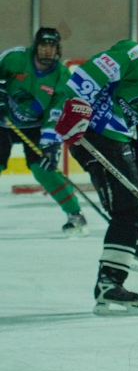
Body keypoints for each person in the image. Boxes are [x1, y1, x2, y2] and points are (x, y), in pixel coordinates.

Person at [54, 11, 138, 316]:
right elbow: (87, 75)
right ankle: (109, 283)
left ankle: (135, 240)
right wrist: (73, 108)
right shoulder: (134, 53)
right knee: (128, 208)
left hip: (118, 140)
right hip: (95, 135)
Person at [0, 27, 89, 236]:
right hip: (2, 121)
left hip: (35, 126)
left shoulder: (61, 76)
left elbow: (55, 114)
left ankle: (75, 215)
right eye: (43, 45)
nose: (47, 51)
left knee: (43, 169)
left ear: (58, 49)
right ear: (35, 46)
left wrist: (50, 145)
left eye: (52, 46)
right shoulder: (15, 58)